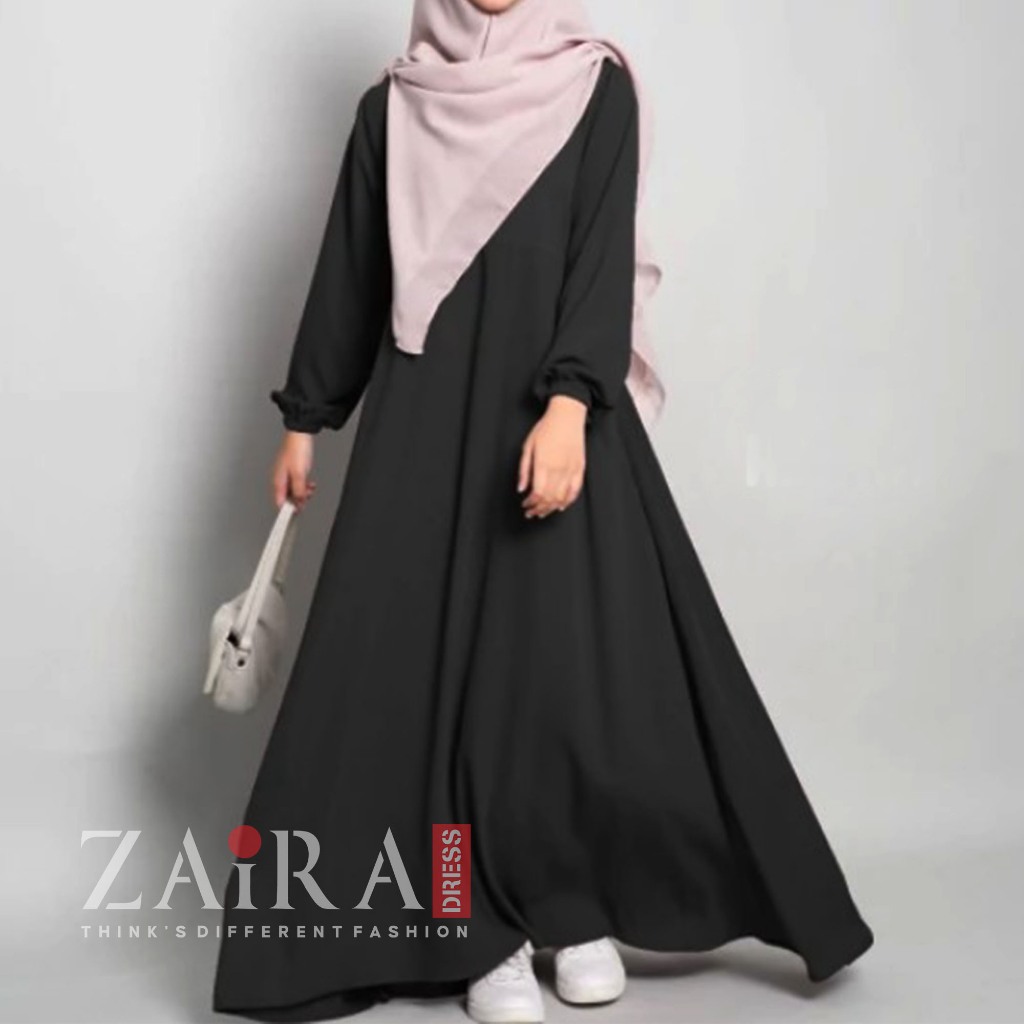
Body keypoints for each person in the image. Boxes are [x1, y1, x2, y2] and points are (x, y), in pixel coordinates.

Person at [211, 1, 874, 1021]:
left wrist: (570, 404)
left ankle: (569, 905)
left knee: (565, 684)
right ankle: (475, 929)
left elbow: (597, 256)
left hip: (549, 421)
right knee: (428, 691)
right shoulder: (393, 108)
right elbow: (352, 269)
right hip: (425, 428)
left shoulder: (592, 85)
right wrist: (305, 418)